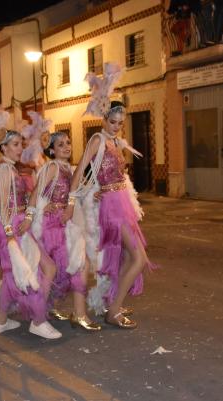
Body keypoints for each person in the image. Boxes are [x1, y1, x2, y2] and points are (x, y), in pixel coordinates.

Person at [65, 62, 158, 329]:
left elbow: (118, 177)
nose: (117, 127)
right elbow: (80, 172)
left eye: (120, 123)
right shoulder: (96, 140)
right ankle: (113, 310)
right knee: (138, 258)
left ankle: (111, 301)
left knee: (128, 257)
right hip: (111, 207)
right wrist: (73, 203)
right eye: (113, 122)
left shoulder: (115, 142)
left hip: (122, 203)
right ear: (104, 118)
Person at [22, 130, 101, 331]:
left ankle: (51, 308)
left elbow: (76, 195)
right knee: (77, 265)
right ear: (52, 150)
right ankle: (79, 315)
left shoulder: (69, 168)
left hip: (67, 223)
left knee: (68, 267)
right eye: (60, 145)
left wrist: (93, 196)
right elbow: (35, 193)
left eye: (68, 142)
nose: (66, 147)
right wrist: (37, 210)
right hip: (53, 227)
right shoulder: (52, 167)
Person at [0, 120, 61, 339]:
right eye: (16, 144)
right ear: (4, 148)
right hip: (15, 227)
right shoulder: (4, 171)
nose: (20, 148)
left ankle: (1, 321)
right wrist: (11, 234)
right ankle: (38, 321)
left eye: (21, 144)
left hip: (16, 224)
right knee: (45, 269)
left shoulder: (9, 168)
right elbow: (2, 205)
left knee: (13, 275)